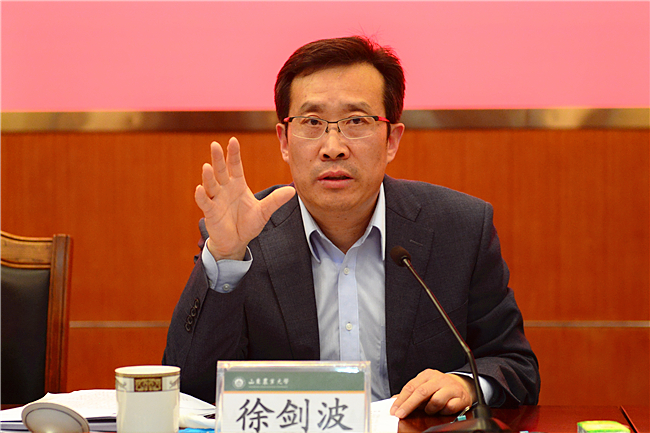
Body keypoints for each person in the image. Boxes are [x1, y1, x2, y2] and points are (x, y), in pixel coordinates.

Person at [163, 35, 540, 418]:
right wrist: (225, 259)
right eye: (312, 122)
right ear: (284, 141)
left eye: (356, 121)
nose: (333, 147)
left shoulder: (459, 229)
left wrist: (466, 384)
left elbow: (515, 366)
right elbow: (191, 389)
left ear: (391, 139)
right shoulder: (246, 237)